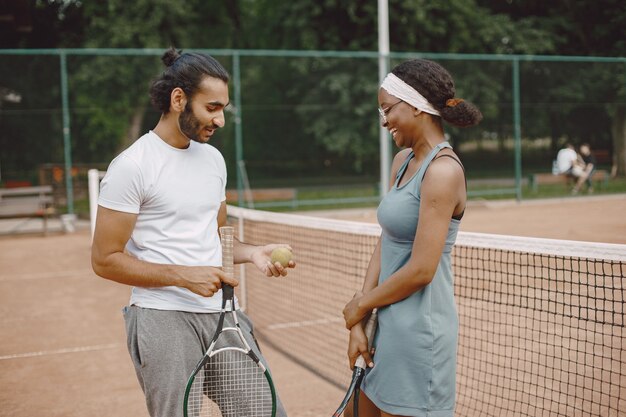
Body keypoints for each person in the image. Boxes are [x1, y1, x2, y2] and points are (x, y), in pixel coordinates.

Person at [91, 47, 294, 417]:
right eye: (212, 108)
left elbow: (215, 236)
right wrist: (185, 277)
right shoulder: (132, 166)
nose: (219, 120)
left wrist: (253, 253)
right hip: (161, 316)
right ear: (178, 98)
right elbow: (105, 260)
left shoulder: (213, 159)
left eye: (223, 109)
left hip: (220, 315)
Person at [342, 59, 482, 417]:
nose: (383, 120)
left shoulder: (443, 172)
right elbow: (386, 239)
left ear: (417, 106)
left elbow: (421, 269)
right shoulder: (402, 161)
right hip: (385, 325)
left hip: (419, 336)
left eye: (388, 109)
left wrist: (361, 305)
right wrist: (362, 317)